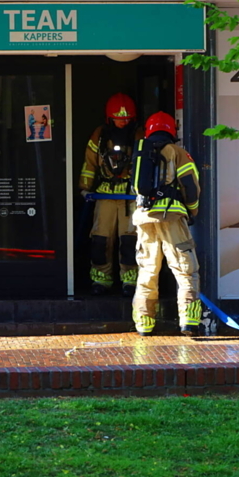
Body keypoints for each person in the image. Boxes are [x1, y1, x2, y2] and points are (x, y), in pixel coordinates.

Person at [130, 111, 203, 336]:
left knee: (147, 270)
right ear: (172, 130)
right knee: (185, 269)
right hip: (171, 217)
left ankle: (144, 323)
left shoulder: (142, 152)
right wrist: (192, 211)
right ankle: (189, 321)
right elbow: (190, 186)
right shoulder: (178, 152)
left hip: (144, 218)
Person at [79, 93, 142, 296]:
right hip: (104, 195)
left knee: (129, 240)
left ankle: (130, 280)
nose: (123, 122)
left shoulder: (139, 135)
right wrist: (85, 188)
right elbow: (90, 163)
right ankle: (101, 279)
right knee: (100, 239)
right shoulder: (100, 136)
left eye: (127, 118)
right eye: (118, 118)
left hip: (130, 196)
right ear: (109, 117)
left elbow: (144, 165)